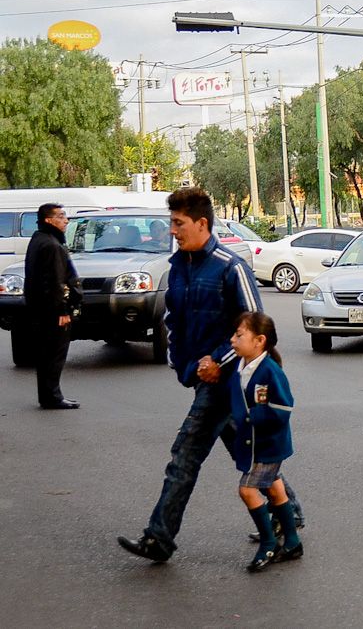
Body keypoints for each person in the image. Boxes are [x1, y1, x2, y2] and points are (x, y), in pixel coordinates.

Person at [118, 187, 304, 563]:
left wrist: (218, 362)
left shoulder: (230, 267)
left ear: (201, 223)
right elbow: (173, 321)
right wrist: (184, 366)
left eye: (178, 223)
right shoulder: (177, 268)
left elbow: (257, 329)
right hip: (203, 378)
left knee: (184, 456)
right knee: (251, 453)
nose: (172, 231)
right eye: (171, 223)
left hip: (230, 381)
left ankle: (159, 538)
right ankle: (290, 515)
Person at [228, 312, 301, 572]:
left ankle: (269, 543)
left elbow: (283, 408)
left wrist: (251, 417)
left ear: (259, 340)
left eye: (239, 335)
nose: (232, 340)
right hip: (253, 444)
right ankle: (292, 542)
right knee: (273, 486)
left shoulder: (270, 371)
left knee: (247, 490)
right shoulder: (241, 367)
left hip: (269, 443)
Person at [25, 203, 81, 410]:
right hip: (52, 311)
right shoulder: (52, 245)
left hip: (39, 307)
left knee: (45, 354)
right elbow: (56, 281)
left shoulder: (39, 239)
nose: (66, 220)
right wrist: (62, 310)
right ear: (49, 220)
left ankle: (48, 395)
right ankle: (52, 397)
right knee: (54, 354)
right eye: (61, 216)